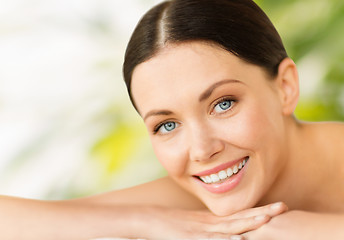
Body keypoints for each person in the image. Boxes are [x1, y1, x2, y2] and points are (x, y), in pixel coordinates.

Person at [1, 0, 343, 239]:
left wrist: (310, 231)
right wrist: (145, 221)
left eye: (223, 104)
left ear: (285, 87)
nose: (201, 150)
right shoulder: (193, 200)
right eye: (167, 125)